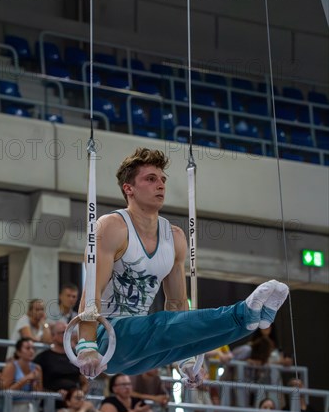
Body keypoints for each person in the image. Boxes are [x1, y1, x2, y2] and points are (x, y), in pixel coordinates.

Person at [73, 148, 289, 384]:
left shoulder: (174, 237)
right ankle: (242, 312)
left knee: (200, 337)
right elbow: (91, 290)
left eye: (163, 179)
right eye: (151, 179)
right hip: (107, 336)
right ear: (129, 188)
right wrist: (86, 344)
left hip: (141, 353)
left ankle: (250, 323)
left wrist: (187, 357)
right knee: (160, 324)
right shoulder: (111, 227)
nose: (161, 185)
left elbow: (176, 304)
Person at [1, 338, 43, 412]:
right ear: (19, 352)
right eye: (27, 348)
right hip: (14, 408)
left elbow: (39, 394)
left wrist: (36, 382)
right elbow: (6, 391)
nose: (31, 351)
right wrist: (26, 379)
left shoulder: (37, 368)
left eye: (33, 348)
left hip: (32, 407)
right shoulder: (11, 366)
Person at [34, 321, 88, 407]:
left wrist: (78, 394)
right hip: (50, 404)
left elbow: (85, 383)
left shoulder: (77, 357)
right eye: (63, 332)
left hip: (73, 405)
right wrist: (54, 394)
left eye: (68, 332)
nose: (66, 335)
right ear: (53, 336)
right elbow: (36, 387)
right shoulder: (42, 358)